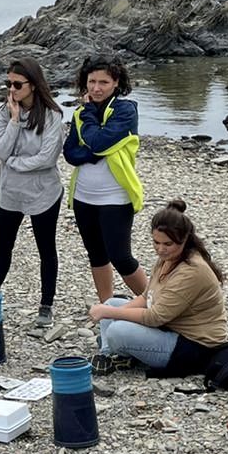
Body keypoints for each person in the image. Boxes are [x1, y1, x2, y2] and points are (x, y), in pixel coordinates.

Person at [89, 200, 228, 376]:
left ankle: (114, 352)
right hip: (172, 328)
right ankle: (110, 354)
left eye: (167, 244)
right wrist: (112, 311)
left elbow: (155, 317)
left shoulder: (192, 271)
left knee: (116, 329)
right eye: (156, 242)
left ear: (184, 239)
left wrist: (110, 314)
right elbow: (147, 296)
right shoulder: (169, 258)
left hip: (195, 346)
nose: (160, 249)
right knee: (112, 303)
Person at [0, 59, 66, 329]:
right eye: (8, 84)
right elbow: (0, 150)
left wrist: (15, 163)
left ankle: (46, 304)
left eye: (17, 84)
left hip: (44, 192)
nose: (12, 89)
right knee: (2, 247)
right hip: (9, 192)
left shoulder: (53, 116)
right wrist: (16, 121)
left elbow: (47, 157)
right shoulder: (4, 112)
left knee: (46, 248)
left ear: (33, 84)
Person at [64, 55, 146, 303]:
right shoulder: (80, 114)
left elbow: (98, 142)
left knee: (121, 256)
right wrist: (93, 151)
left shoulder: (125, 111)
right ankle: (106, 306)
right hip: (83, 196)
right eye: (92, 82)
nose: (96, 88)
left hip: (115, 195)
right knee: (96, 254)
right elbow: (70, 152)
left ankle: (158, 304)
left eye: (104, 82)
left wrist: (91, 137)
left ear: (116, 83)